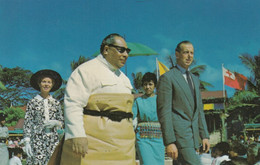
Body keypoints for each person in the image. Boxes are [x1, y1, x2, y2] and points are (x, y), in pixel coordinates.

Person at [60, 33, 135, 165]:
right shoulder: (86, 70)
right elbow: (73, 104)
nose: (126, 55)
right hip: (93, 142)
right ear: (106, 50)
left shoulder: (124, 79)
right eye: (121, 50)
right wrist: (77, 135)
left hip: (124, 146)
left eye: (127, 51)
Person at [157, 40, 210, 165]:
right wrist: (169, 142)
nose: (189, 56)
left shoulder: (195, 80)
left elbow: (199, 111)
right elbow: (164, 112)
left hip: (194, 136)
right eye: (186, 52)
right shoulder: (168, 78)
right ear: (177, 54)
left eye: (192, 53)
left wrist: (205, 135)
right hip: (179, 136)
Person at [23, 69, 64, 165]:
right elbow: (27, 123)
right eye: (44, 81)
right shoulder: (32, 102)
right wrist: (27, 142)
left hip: (53, 141)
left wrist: (57, 123)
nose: (46, 84)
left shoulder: (56, 103)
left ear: (52, 84)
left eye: (49, 82)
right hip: (36, 140)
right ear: (39, 83)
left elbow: (61, 121)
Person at [132, 72, 164, 165]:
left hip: (158, 138)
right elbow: (131, 118)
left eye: (150, 84)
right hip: (142, 139)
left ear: (155, 85)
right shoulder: (138, 101)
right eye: (145, 84)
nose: (147, 87)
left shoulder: (160, 100)